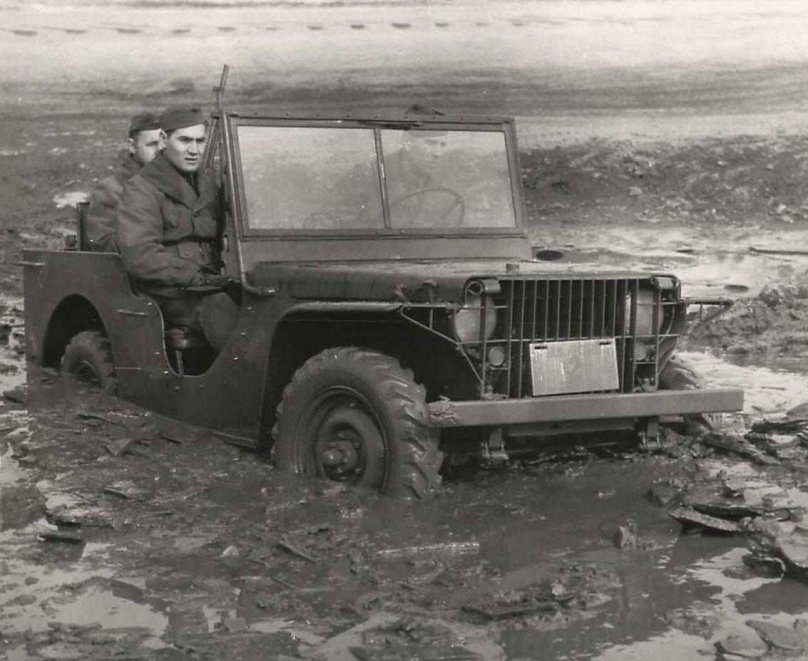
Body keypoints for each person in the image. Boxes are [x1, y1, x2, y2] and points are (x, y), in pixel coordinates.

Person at [116, 106, 228, 335]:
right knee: (230, 319)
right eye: (185, 140)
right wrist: (195, 277)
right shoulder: (142, 188)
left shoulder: (207, 182)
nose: (194, 150)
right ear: (164, 140)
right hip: (171, 293)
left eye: (200, 141)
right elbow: (141, 256)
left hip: (211, 283)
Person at [85, 112, 162, 252]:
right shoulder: (111, 190)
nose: (160, 151)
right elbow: (102, 243)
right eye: (152, 144)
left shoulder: (177, 183)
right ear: (132, 146)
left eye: (164, 144)